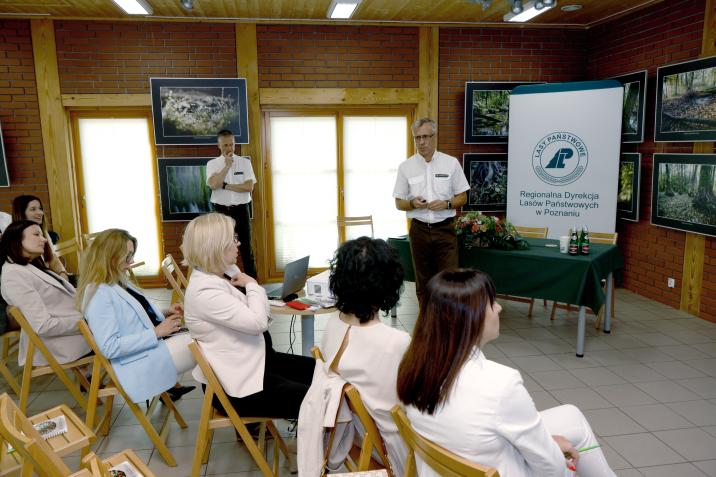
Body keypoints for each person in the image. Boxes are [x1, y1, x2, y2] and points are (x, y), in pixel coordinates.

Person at [397, 269, 616, 477]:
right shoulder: (501, 383)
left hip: (454, 458)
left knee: (571, 415)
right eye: (492, 303)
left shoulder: (415, 366)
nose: (499, 308)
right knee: (570, 444)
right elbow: (551, 469)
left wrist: (548, 443)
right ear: (470, 319)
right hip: (493, 464)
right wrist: (558, 455)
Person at [182, 212, 313, 418]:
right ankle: (322, 443)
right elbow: (258, 321)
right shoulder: (205, 291)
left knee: (323, 373)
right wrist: (252, 284)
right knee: (321, 399)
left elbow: (256, 314)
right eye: (233, 239)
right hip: (240, 385)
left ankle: (322, 439)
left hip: (259, 363)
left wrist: (253, 290)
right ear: (215, 246)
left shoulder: (225, 271)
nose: (239, 243)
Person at [320, 237, 410, 475]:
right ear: (388, 283)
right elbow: (414, 406)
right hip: (391, 449)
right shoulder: (395, 342)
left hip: (353, 436)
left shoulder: (332, 324)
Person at [76, 229, 195, 403]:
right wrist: (156, 333)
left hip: (149, 349)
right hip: (137, 362)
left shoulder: (116, 280)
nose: (131, 261)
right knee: (204, 342)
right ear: (109, 256)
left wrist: (165, 312)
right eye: (127, 256)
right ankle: (229, 403)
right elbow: (109, 347)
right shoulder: (99, 293)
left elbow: (135, 315)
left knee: (206, 337)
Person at [392, 118, 469, 306]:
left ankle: (448, 326)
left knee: (450, 281)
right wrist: (413, 203)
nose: (421, 142)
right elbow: (399, 203)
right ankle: (427, 326)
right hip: (419, 230)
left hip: (445, 230)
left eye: (425, 137)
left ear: (434, 137)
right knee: (424, 283)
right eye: (417, 138)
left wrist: (448, 204)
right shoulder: (406, 167)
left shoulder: (451, 164)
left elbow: (463, 197)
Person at [0, 220, 90, 366]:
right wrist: (85, 323)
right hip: (62, 343)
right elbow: (43, 325)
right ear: (16, 240)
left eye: (42, 235)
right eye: (37, 234)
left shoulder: (29, 265)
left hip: (75, 330)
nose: (44, 239)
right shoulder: (13, 274)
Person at [206, 130, 257, 278]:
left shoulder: (245, 163)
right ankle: (225, 285)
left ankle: (253, 286)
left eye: (232, 144)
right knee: (222, 249)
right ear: (219, 145)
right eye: (225, 145)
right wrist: (227, 166)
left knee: (247, 250)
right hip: (221, 212)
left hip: (241, 210)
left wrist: (226, 185)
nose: (229, 148)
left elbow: (249, 187)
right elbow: (214, 184)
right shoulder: (212, 164)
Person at [11, 195, 67, 279]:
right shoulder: (16, 240)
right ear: (21, 213)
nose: (41, 213)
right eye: (33, 209)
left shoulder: (43, 233)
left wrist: (62, 273)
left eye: (40, 208)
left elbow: (52, 259)